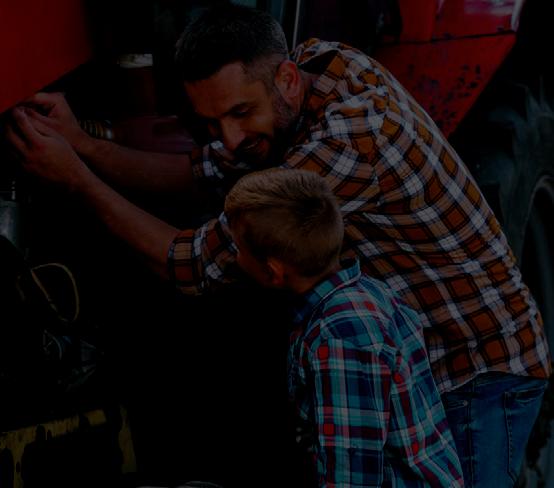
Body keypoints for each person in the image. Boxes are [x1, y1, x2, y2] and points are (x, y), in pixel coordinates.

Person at [6, 3, 551, 486]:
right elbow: (202, 170)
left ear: (287, 79)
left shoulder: (347, 144)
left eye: (240, 114)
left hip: (474, 367)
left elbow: (192, 264)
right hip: (412, 355)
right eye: (213, 121)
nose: (229, 138)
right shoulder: (316, 67)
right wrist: (83, 144)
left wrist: (75, 180)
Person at [224, 167, 464, 486]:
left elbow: (352, 471)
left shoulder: (340, 335)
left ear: (273, 271)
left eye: (238, 249)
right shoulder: (365, 291)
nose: (235, 258)